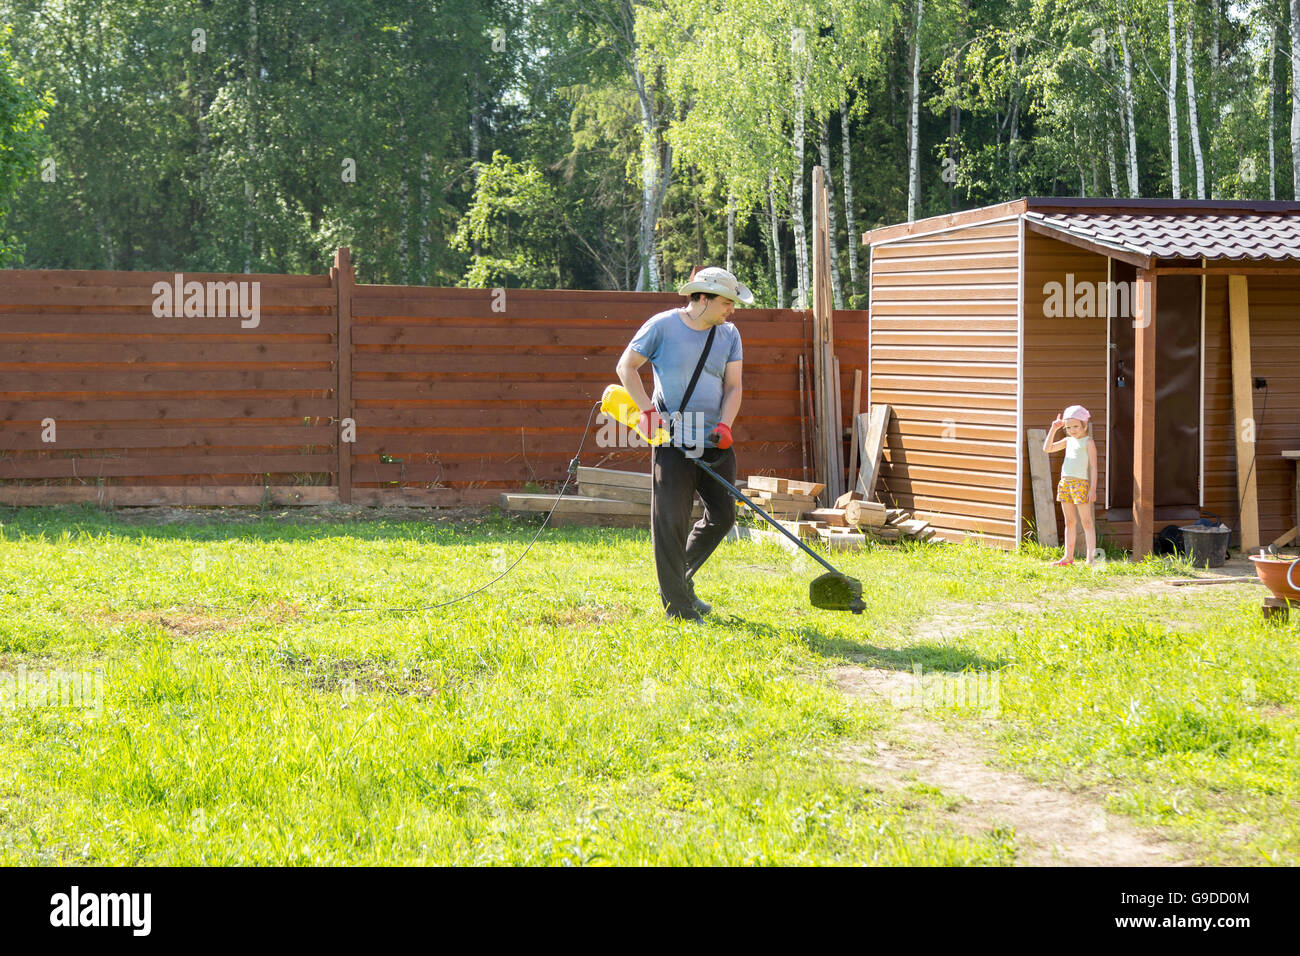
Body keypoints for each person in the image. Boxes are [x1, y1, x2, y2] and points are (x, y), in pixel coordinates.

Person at [615, 266, 751, 621]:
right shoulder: (661, 326)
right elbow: (626, 367)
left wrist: (726, 424)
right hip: (673, 437)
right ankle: (677, 607)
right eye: (726, 302)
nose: (731, 310)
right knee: (670, 521)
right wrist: (647, 412)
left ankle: (679, 580)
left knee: (722, 516)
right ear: (702, 298)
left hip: (714, 439)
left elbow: (734, 386)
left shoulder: (729, 334)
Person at [1043, 404, 1098, 567]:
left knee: (1087, 521)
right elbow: (1047, 449)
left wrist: (1092, 489)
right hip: (1065, 483)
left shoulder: (1088, 442)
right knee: (1069, 522)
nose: (1072, 430)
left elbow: (1094, 467)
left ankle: (1091, 559)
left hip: (1081, 484)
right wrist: (1054, 429)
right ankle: (1068, 557)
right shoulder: (1068, 440)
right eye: (1068, 427)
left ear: (1084, 425)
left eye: (1075, 426)